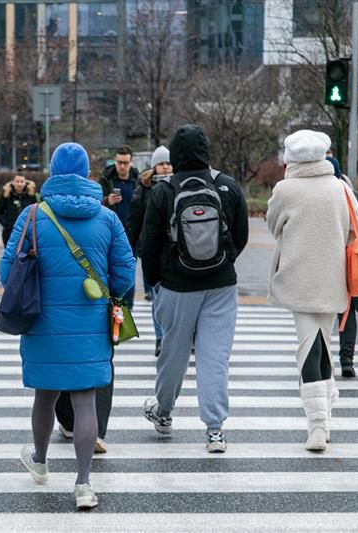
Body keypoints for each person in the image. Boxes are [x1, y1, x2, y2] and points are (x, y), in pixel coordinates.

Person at [0, 142, 135, 510]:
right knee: (85, 399)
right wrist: (104, 291)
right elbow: (125, 274)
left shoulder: (31, 215)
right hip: (91, 320)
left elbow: (6, 271)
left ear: (54, 171)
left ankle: (41, 462)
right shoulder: (107, 218)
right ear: (88, 173)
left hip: (41, 319)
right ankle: (83, 484)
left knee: (45, 394)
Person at [141, 124, 249, 453]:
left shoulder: (164, 191)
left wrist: (157, 283)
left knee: (173, 354)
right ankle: (215, 430)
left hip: (176, 287)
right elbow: (241, 235)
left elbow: (149, 245)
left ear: (174, 154)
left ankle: (164, 413)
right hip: (220, 286)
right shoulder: (227, 186)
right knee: (214, 358)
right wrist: (223, 262)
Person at [267, 130, 358, 452]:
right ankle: (325, 416)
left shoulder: (285, 189)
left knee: (309, 347)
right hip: (336, 280)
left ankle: (318, 425)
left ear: (291, 159)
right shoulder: (341, 188)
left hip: (299, 279)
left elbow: (272, 226)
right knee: (321, 344)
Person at [326, 156, 358, 378]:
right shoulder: (355, 196)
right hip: (348, 263)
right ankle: (347, 360)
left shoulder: (321, 197)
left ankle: (322, 358)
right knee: (347, 311)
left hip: (324, 261)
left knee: (323, 311)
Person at [130, 145, 172, 356]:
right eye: (161, 164)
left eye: (167, 163)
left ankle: (179, 337)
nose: (165, 167)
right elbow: (135, 221)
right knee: (156, 298)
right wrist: (131, 247)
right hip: (150, 251)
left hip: (174, 252)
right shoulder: (144, 189)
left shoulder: (179, 185)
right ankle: (159, 338)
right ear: (154, 167)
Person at [99, 145, 139, 307]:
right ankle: (110, 304)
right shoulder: (106, 179)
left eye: (125, 163)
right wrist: (106, 201)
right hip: (109, 232)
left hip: (131, 234)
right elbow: (93, 204)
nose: (122, 166)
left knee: (128, 272)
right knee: (107, 270)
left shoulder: (138, 180)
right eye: (119, 162)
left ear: (131, 162)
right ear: (114, 161)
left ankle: (128, 307)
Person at [0, 174, 38, 246]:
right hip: (9, 232)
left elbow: (36, 211)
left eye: (21, 181)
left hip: (27, 231)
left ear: (25, 183)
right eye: (17, 181)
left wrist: (31, 224)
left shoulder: (31, 196)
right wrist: (6, 224)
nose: (19, 184)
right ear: (13, 182)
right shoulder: (6, 195)